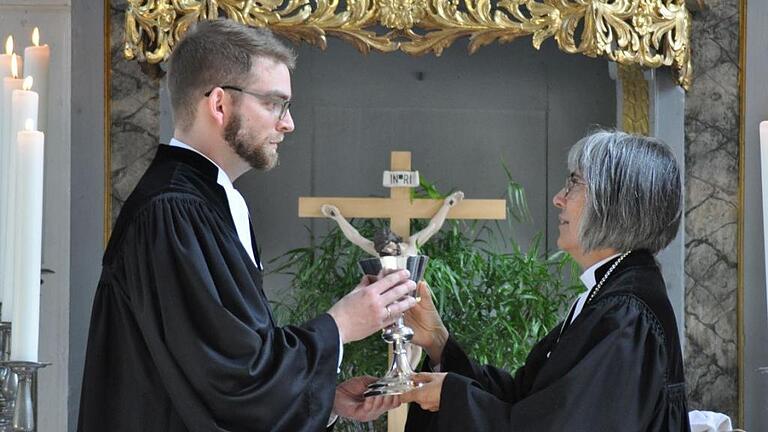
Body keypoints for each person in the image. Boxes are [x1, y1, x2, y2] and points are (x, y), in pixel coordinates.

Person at [77, 19, 416, 432]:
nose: (287, 123)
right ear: (220, 104)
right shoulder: (173, 212)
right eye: (274, 103)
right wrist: (340, 325)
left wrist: (324, 399)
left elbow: (230, 366)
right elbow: (232, 382)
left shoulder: (205, 202)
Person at [401, 130, 691, 431]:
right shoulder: (614, 292)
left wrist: (453, 396)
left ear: (614, 202)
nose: (558, 199)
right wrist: (438, 343)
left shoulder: (626, 314)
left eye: (574, 183)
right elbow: (525, 401)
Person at [321, 191, 464, 257]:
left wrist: (447, 205)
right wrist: (338, 217)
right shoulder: (381, 254)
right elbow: (356, 238)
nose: (388, 251)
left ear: (393, 240)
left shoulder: (412, 244)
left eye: (388, 246)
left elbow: (433, 227)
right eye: (385, 249)